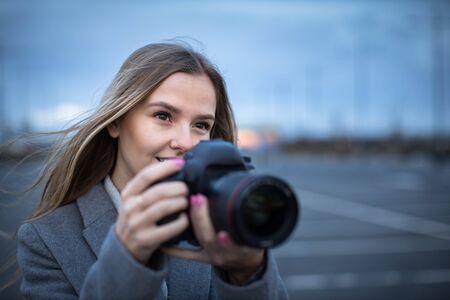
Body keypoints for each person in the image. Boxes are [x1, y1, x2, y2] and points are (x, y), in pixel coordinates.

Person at [16, 42, 289, 299]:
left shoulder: (226, 221)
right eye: (163, 116)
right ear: (116, 123)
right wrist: (126, 259)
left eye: (201, 125)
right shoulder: (45, 239)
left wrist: (248, 273)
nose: (185, 143)